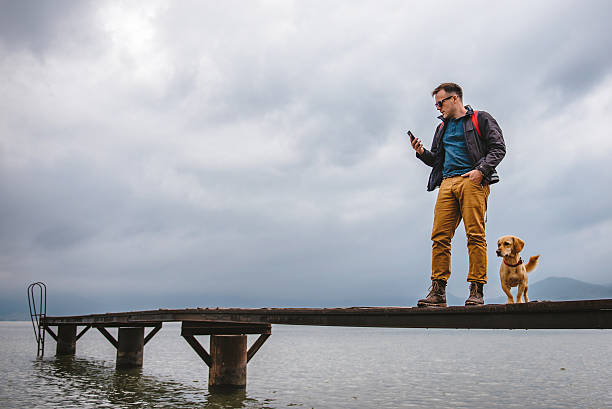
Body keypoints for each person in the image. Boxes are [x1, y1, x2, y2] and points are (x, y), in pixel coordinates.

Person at [411, 82, 506, 307]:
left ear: (455, 99)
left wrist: (480, 171)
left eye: (440, 102)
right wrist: (422, 152)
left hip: (472, 181)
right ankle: (438, 292)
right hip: (446, 183)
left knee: (475, 236)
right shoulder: (441, 128)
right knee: (439, 237)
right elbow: (436, 160)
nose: (437, 107)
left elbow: (498, 148)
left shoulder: (480, 119)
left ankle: (476, 290)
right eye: (435, 104)